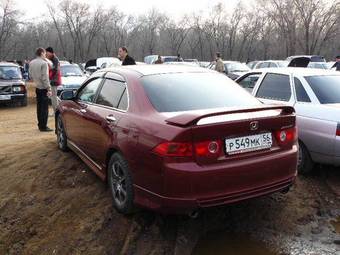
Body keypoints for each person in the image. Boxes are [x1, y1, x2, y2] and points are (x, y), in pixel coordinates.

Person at [29, 48, 53, 132]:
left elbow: (30, 75)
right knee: (44, 108)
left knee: (39, 107)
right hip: (43, 88)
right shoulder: (44, 63)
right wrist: (49, 88)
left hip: (37, 87)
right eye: (44, 53)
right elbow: (45, 77)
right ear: (42, 53)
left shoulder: (31, 62)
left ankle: (40, 125)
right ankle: (43, 126)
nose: (45, 55)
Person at [45, 47, 61, 113]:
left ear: (50, 52)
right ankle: (61, 104)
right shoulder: (51, 59)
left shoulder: (55, 59)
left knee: (53, 96)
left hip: (54, 80)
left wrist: (50, 77)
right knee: (54, 95)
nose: (46, 54)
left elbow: (55, 70)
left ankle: (56, 112)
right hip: (53, 79)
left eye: (47, 52)